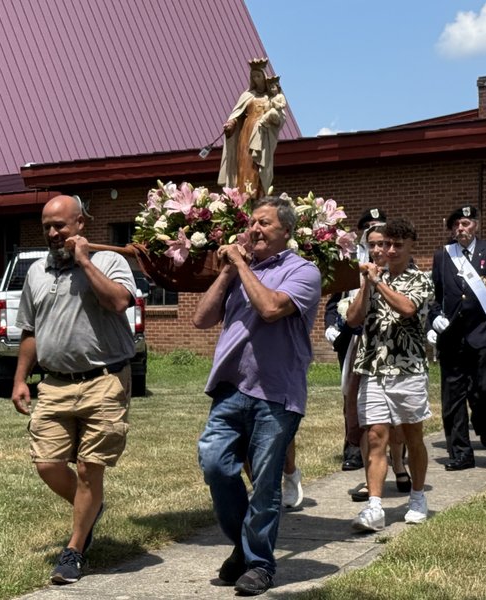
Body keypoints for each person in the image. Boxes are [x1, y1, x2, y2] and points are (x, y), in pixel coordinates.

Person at [193, 195, 321, 596]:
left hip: (276, 395)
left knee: (265, 483)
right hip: (231, 388)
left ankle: (260, 565)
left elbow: (268, 308)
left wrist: (242, 265)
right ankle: (245, 548)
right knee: (215, 463)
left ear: (286, 231)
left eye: (264, 223)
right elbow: (200, 319)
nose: (254, 229)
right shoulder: (239, 272)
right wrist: (228, 272)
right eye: (253, 222)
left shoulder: (304, 272)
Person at [12, 195, 137, 584]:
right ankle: (91, 507)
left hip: (104, 380)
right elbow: (31, 330)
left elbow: (119, 302)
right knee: (47, 464)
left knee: (87, 468)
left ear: (81, 223)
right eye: (47, 226)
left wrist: (84, 261)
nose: (53, 233)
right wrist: (20, 378)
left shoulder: (110, 261)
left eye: (60, 226)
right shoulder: (36, 272)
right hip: (54, 383)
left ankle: (74, 550)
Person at [346, 218, 434, 532]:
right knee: (374, 438)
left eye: (397, 245)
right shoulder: (371, 278)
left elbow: (407, 309)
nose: (389, 250)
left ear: (411, 247)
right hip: (372, 369)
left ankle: (417, 497)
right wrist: (366, 287)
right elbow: (353, 320)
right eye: (385, 244)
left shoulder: (421, 279)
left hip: (407, 370)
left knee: (412, 437)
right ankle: (374, 507)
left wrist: (379, 284)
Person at [428, 205, 486, 470]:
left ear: (475, 225)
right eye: (456, 225)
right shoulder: (442, 256)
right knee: (452, 399)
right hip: (453, 338)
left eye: (465, 224)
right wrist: (434, 319)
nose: (461, 229)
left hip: (484, 335)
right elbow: (435, 296)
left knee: (485, 391)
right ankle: (461, 453)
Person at [324, 207, 387, 472]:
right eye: (368, 227)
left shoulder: (391, 257)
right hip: (352, 336)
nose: (373, 230)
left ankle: (392, 449)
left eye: (378, 225)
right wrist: (330, 325)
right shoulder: (349, 260)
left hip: (382, 337)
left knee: (384, 394)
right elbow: (334, 299)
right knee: (351, 393)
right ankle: (352, 448)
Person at [218, 58, 285, 198]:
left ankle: (258, 197)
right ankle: (243, 198)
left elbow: (280, 116)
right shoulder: (247, 96)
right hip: (246, 135)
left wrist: (272, 119)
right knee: (245, 165)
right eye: (253, 76)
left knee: (258, 167)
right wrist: (231, 124)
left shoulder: (270, 97)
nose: (256, 79)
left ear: (264, 77)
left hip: (262, 135)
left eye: (258, 76)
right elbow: (237, 115)